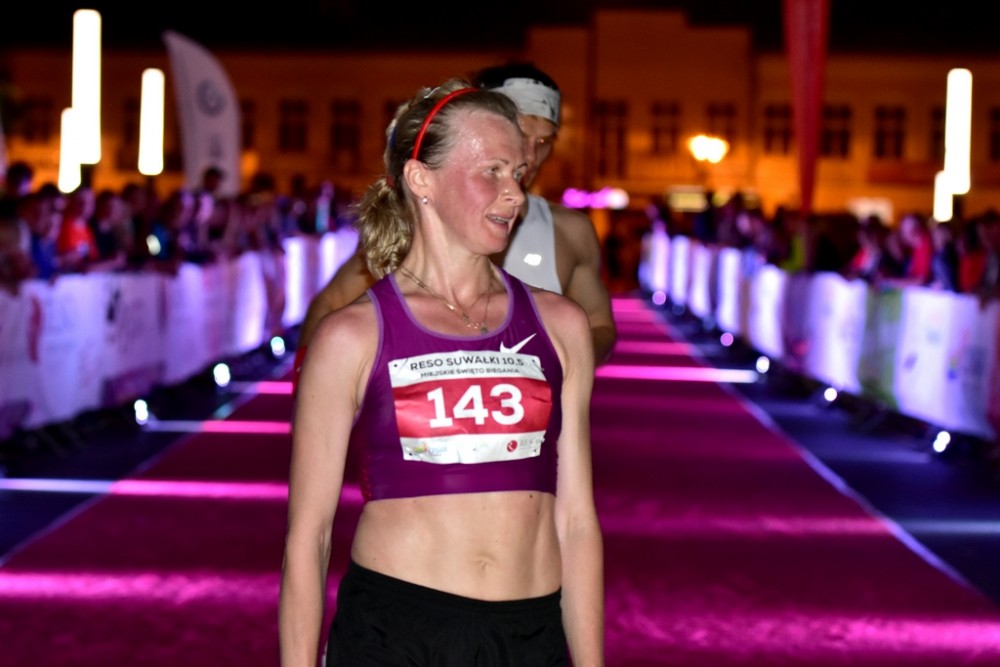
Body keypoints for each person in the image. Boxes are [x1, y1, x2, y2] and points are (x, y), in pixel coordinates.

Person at [279, 79, 604, 667]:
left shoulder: (561, 325)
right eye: (492, 171)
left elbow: (577, 521)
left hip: (529, 635)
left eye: (518, 173)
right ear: (420, 179)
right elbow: (309, 537)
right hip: (397, 636)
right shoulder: (351, 336)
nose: (514, 193)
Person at [294, 62, 616, 380]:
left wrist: (551, 361)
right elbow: (332, 303)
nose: (531, 154)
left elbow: (600, 324)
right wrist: (313, 391)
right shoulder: (422, 221)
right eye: (520, 132)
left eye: (544, 141)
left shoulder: (569, 231)